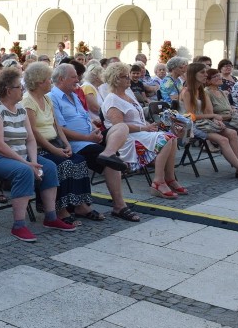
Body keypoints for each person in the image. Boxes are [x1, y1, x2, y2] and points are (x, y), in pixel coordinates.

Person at [0, 67, 77, 241]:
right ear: (8, 90)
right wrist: (27, 164)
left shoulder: (19, 108)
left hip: (17, 155)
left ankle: (51, 217)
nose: (22, 89)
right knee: (23, 171)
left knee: (49, 167)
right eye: (19, 87)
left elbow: (30, 139)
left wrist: (34, 161)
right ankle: (18, 225)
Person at [49, 63, 139, 221]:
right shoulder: (53, 97)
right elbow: (60, 130)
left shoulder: (74, 94)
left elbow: (84, 117)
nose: (78, 79)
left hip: (89, 137)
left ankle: (108, 152)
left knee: (121, 127)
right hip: (76, 143)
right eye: (74, 76)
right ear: (61, 79)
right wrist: (88, 137)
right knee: (111, 160)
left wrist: (94, 128)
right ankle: (119, 205)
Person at [21, 62, 103, 223]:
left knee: (79, 160)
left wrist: (66, 145)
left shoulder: (46, 98)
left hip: (54, 144)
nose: (51, 82)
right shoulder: (28, 101)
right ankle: (60, 209)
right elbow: (34, 132)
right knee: (64, 164)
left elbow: (56, 125)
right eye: (47, 80)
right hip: (38, 148)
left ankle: (80, 204)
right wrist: (55, 150)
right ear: (39, 82)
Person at [101, 62, 183, 199]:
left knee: (172, 137)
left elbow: (138, 117)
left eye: (128, 76)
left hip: (140, 132)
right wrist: (144, 127)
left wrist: (149, 125)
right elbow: (119, 126)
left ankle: (169, 178)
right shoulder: (112, 100)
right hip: (126, 137)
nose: (129, 79)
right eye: (124, 76)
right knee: (167, 139)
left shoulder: (128, 94)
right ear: (115, 79)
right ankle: (158, 182)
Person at [180, 63, 238, 183]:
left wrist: (215, 119)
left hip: (205, 122)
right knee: (223, 140)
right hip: (192, 126)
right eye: (203, 73)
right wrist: (214, 116)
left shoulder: (201, 91)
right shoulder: (187, 92)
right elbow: (190, 116)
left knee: (232, 133)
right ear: (193, 75)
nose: (206, 75)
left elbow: (208, 111)